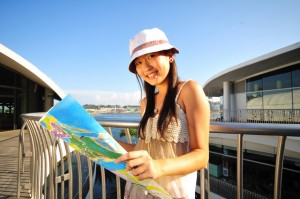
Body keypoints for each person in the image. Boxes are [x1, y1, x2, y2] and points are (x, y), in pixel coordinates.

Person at [115, 28, 210, 199]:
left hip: (172, 192)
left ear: (170, 55)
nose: (146, 67)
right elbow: (142, 150)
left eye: (151, 56)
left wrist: (158, 167)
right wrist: (101, 140)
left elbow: (201, 155)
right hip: (141, 188)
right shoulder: (145, 103)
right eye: (139, 62)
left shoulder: (189, 90)